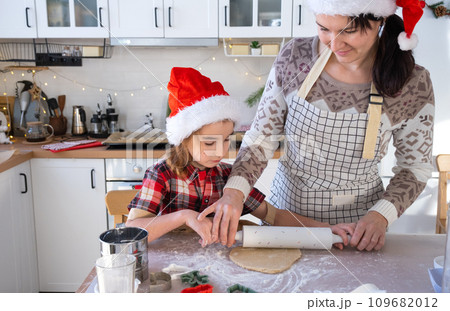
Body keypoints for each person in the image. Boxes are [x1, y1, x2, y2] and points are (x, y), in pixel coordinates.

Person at [198, 0, 435, 251]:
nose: (334, 44)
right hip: (286, 223)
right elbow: (261, 138)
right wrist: (235, 191)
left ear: (379, 20)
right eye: (324, 29)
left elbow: (414, 168)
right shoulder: (294, 57)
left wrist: (381, 215)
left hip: (358, 230)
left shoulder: (413, 83)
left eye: (349, 31)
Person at [126, 67, 354, 248]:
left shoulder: (229, 177)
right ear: (184, 139)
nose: (221, 151)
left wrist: (324, 229)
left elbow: (273, 216)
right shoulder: (162, 175)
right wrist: (184, 216)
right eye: (209, 143)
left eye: (226, 140)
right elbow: (132, 231)